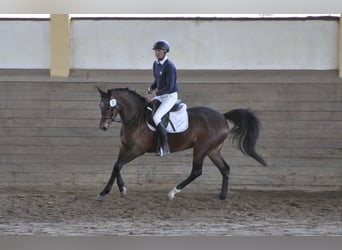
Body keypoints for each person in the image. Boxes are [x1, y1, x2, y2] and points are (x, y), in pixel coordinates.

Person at [145, 40, 179, 156]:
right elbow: (157, 81)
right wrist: (151, 88)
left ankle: (165, 146)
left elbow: (169, 87)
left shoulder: (170, 66)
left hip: (169, 96)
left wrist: (154, 94)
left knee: (156, 117)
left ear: (165, 51)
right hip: (161, 95)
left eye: (160, 50)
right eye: (156, 50)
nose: (157, 53)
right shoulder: (156, 64)